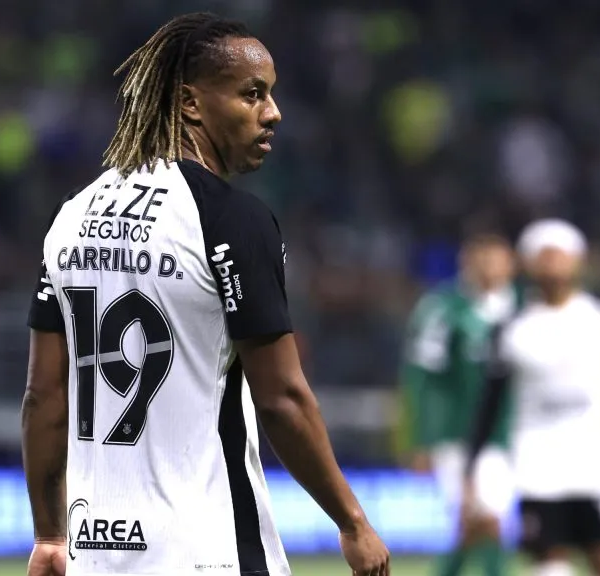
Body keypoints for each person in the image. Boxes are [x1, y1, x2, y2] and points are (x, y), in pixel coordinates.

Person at [20, 12, 390, 576]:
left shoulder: (71, 216)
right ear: (192, 103)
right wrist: (352, 520)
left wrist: (50, 536)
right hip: (207, 550)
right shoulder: (231, 220)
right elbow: (282, 400)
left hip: (96, 556)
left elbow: (43, 397)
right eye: (252, 94)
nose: (273, 113)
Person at [465, 219, 600, 576]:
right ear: (528, 264)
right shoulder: (512, 329)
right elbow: (488, 404)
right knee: (550, 567)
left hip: (596, 465)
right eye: (544, 256)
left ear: (578, 260)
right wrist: (473, 468)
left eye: (560, 255)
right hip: (536, 466)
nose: (553, 264)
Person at [400, 233, 521, 576]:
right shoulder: (443, 309)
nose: (489, 266)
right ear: (465, 262)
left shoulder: (523, 306)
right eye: (481, 257)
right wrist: (419, 438)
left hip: (512, 433)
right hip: (457, 434)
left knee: (475, 526)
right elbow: (421, 378)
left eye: (496, 257)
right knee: (487, 519)